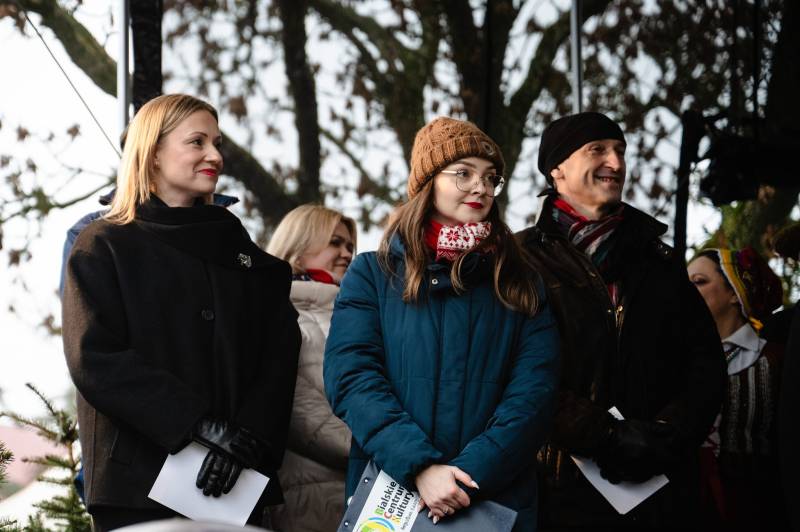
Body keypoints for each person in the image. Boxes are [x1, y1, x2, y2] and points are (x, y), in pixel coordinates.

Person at [61, 94, 301, 531]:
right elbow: (93, 356)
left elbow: (279, 352)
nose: (215, 156)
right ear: (153, 152)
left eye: (217, 143)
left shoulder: (244, 257)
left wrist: (246, 439)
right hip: (136, 486)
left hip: (233, 488)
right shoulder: (103, 244)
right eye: (197, 142)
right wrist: (197, 425)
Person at [324, 117, 559, 530]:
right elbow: (352, 377)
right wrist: (421, 466)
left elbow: (535, 392)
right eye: (463, 173)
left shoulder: (520, 282)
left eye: (490, 177)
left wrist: (467, 474)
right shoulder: (373, 274)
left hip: (494, 497)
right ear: (428, 183)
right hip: (394, 494)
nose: (481, 187)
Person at [517, 111, 726, 531]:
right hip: (560, 494)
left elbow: (704, 365)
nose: (615, 163)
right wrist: (605, 436)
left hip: (661, 496)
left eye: (620, 151)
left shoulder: (660, 260)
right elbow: (514, 372)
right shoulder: (520, 260)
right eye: (597, 149)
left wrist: (664, 434)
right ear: (556, 168)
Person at [265, 205, 357, 531]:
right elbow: (296, 407)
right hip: (309, 497)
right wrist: (381, 447)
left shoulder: (357, 315)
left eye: (350, 246)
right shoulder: (275, 312)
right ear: (299, 246)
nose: (347, 253)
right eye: (335, 242)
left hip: (366, 488)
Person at [687, 247, 788, 531]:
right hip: (686, 507)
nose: (687, 291)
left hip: (753, 510)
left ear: (734, 293)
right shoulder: (676, 360)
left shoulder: (776, 359)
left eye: (698, 281)